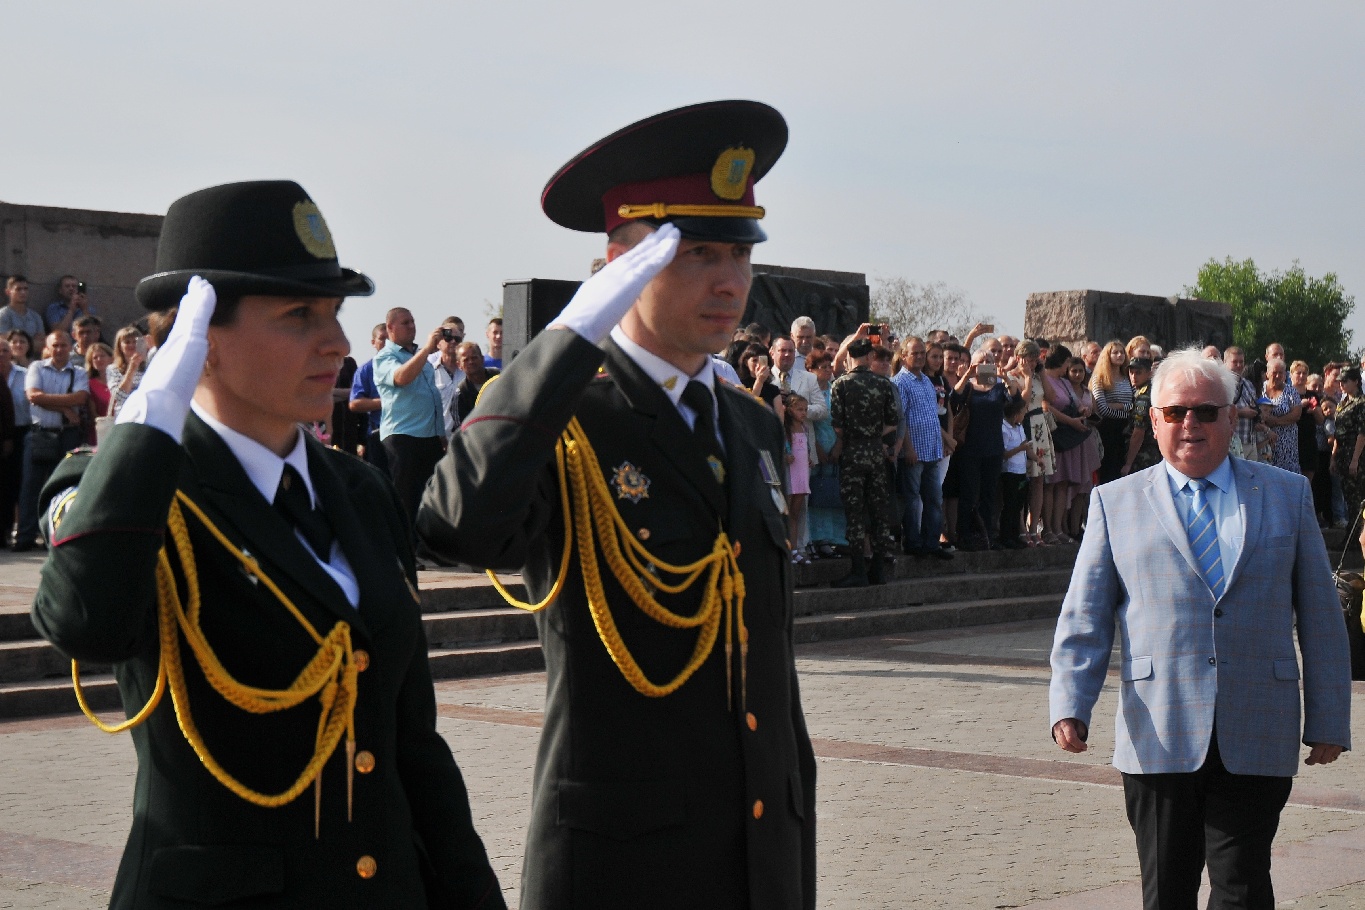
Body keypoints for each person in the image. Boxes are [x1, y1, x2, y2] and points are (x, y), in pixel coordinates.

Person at [29, 180, 504, 909]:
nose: (337, 343)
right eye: (298, 316)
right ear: (200, 342)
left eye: (335, 313)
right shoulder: (127, 491)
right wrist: (150, 414)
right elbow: (84, 621)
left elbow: (413, 745)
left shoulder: (360, 492)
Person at [417, 101, 815, 910]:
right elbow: (457, 527)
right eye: (696, 253)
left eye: (739, 253)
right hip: (624, 860)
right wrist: (565, 343)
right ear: (620, 266)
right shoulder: (561, 418)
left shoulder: (749, 423)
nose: (729, 281)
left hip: (761, 852)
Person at [1050, 346, 1350, 910]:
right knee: (1167, 892)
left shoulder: (1287, 495)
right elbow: (1084, 617)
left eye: (1206, 412)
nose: (1190, 423)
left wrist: (1329, 716)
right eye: (1175, 412)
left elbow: (1320, 618)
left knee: (1243, 889)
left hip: (1258, 726)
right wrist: (1070, 704)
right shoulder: (1115, 502)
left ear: (1232, 418)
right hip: (1158, 730)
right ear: (1154, 420)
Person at [830, 337, 900, 586]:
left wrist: (857, 434)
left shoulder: (840, 384)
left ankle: (858, 569)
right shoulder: (883, 384)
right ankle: (878, 570)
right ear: (870, 357)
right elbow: (893, 421)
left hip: (852, 454)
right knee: (879, 512)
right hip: (876, 454)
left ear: (850, 357)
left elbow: (838, 426)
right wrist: (873, 434)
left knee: (855, 513)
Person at [15, 330, 89, 551]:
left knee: (64, 487)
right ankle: (25, 536)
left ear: (70, 346)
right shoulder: (36, 367)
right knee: (31, 487)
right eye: (55, 345)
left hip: (68, 434)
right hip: (40, 434)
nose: (59, 349)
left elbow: (81, 398)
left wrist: (48, 400)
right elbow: (33, 396)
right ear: (47, 347)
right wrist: (65, 408)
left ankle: (59, 537)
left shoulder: (79, 372)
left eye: (63, 345)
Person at [373, 307, 446, 531]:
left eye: (413, 321)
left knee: (433, 498)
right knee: (407, 500)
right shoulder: (385, 357)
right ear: (390, 327)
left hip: (429, 437)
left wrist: (440, 433)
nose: (412, 326)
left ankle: (426, 545)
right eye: (405, 322)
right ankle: (405, 546)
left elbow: (431, 396)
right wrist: (426, 351)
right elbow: (402, 377)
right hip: (403, 437)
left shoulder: (418, 356)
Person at [952, 345, 1022, 550]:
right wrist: (967, 375)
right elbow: (954, 399)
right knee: (968, 494)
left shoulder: (999, 387)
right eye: (980, 361)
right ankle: (965, 535)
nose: (984, 364)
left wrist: (1006, 378)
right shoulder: (968, 386)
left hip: (993, 447)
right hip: (970, 448)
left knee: (989, 495)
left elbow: (1016, 402)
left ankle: (988, 536)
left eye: (988, 361)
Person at [893, 336, 949, 559]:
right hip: (913, 452)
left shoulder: (926, 380)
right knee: (912, 499)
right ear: (904, 356)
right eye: (914, 353)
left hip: (932, 451)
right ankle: (913, 542)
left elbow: (933, 416)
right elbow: (901, 419)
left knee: (934, 499)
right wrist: (908, 448)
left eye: (921, 353)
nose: (919, 357)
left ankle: (931, 543)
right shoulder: (900, 382)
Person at [348, 323, 389, 475]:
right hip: (378, 434)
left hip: (406, 434)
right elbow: (354, 404)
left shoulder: (406, 364)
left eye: (390, 339)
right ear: (373, 342)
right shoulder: (366, 370)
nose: (386, 343)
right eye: (382, 339)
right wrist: (386, 402)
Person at [1090, 340, 1132, 484]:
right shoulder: (1099, 378)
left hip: (1127, 429)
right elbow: (1103, 409)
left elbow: (1134, 404)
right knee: (1110, 471)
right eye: (1115, 352)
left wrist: (1119, 406)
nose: (1120, 355)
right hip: (1108, 430)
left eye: (1122, 352)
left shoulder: (1128, 377)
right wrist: (1127, 411)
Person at [998, 396, 1033, 548]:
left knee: (1019, 504)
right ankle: (1006, 537)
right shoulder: (1004, 429)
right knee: (1010, 504)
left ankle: (1016, 535)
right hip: (1010, 472)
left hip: (1021, 472)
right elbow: (1004, 454)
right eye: (1023, 412)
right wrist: (1020, 448)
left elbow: (1026, 447)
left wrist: (1037, 459)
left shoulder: (1019, 427)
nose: (1024, 415)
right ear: (1016, 414)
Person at [1331, 368, 1365, 520]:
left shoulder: (1361, 403)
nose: (1341, 384)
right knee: (1348, 496)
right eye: (1340, 381)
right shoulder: (1342, 403)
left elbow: (1362, 433)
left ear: (1356, 381)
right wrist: (1333, 458)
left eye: (1345, 381)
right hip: (1343, 454)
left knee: (1358, 498)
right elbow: (1338, 433)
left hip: (1357, 455)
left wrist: (1355, 460)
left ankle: (1357, 533)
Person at [784, 393, 813, 564]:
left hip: (802, 473)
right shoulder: (784, 428)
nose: (803, 413)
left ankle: (794, 549)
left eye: (805, 410)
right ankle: (786, 549)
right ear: (789, 410)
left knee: (795, 513)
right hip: (789, 473)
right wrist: (785, 456)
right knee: (786, 512)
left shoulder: (805, 427)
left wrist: (808, 459)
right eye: (799, 409)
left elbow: (805, 449)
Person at [768, 336, 826, 421]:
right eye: (783, 350)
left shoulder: (809, 378)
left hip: (802, 429)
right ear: (772, 353)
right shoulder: (764, 378)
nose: (787, 354)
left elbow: (823, 410)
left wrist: (799, 408)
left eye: (791, 351)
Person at [1121, 357, 1161, 476]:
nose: (1133, 376)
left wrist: (1128, 463)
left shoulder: (1144, 397)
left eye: (1138, 373)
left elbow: (1138, 432)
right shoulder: (1149, 390)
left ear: (1149, 374)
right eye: (1131, 372)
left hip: (1143, 453)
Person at [1260, 358, 1302, 473]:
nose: (1278, 376)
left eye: (1281, 373)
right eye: (1274, 372)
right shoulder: (1259, 388)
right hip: (1263, 441)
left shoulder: (1291, 391)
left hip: (1286, 444)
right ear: (1267, 373)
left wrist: (1275, 421)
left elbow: (1296, 415)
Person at [451, 341, 498, 428]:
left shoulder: (498, 376)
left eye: (474, 358)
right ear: (459, 365)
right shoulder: (461, 393)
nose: (471, 362)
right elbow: (460, 427)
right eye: (466, 360)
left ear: (482, 359)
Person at [105, 326, 147, 419]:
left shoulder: (149, 365)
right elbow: (120, 396)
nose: (132, 345)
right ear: (120, 346)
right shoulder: (113, 369)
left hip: (146, 414)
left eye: (135, 342)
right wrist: (132, 367)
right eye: (127, 342)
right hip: (126, 415)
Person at [0, 276, 46, 340]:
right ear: (8, 292)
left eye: (25, 289)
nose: (23, 292)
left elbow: (42, 341)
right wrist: (32, 341)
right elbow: (3, 341)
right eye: (18, 289)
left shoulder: (35, 316)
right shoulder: (3, 315)